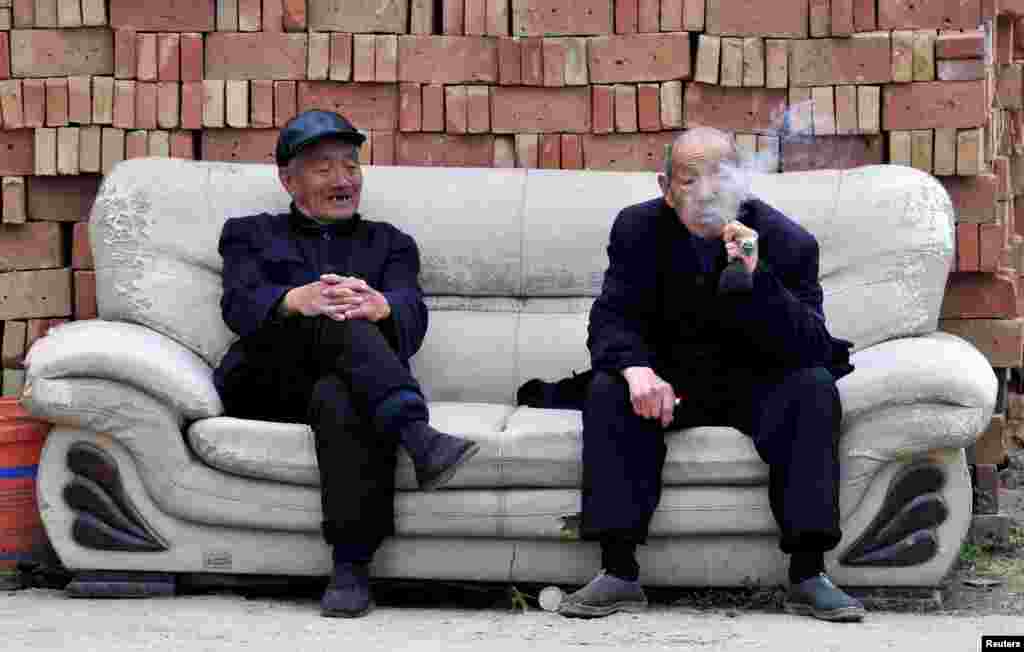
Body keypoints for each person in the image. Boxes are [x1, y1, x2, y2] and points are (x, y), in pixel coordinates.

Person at [557, 127, 865, 622]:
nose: (705, 194)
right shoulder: (638, 229)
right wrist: (637, 370)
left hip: (755, 383)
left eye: (718, 178)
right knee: (608, 390)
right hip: (670, 382)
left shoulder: (788, 242)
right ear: (665, 187)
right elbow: (612, 317)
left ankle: (809, 573)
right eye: (688, 180)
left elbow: (812, 348)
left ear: (742, 184)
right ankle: (618, 572)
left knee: (814, 390)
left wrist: (756, 276)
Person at [214, 110, 480, 618]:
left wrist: (384, 307)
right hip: (267, 383)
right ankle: (417, 433)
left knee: (341, 394)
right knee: (333, 309)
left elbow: (413, 315)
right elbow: (238, 307)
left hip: (350, 388)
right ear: (288, 181)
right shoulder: (249, 234)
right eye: (323, 168)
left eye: (351, 166)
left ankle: (351, 567)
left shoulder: (390, 243)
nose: (343, 179)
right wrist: (298, 298)